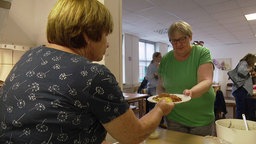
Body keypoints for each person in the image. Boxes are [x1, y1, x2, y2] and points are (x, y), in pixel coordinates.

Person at [0, 0, 174, 144]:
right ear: (88, 34)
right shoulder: (94, 74)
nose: (107, 44)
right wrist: (160, 109)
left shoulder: (30, 55)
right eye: (106, 35)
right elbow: (133, 135)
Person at [157, 20, 215, 136]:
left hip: (201, 118)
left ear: (190, 37)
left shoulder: (202, 53)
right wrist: (161, 100)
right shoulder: (166, 59)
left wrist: (191, 92)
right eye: (174, 40)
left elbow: (206, 81)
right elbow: (161, 86)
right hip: (174, 117)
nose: (178, 44)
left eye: (182, 39)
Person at [229, 53, 256, 119]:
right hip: (240, 90)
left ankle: (246, 124)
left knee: (246, 110)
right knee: (242, 111)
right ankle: (240, 125)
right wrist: (251, 69)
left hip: (241, 90)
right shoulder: (243, 63)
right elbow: (241, 72)